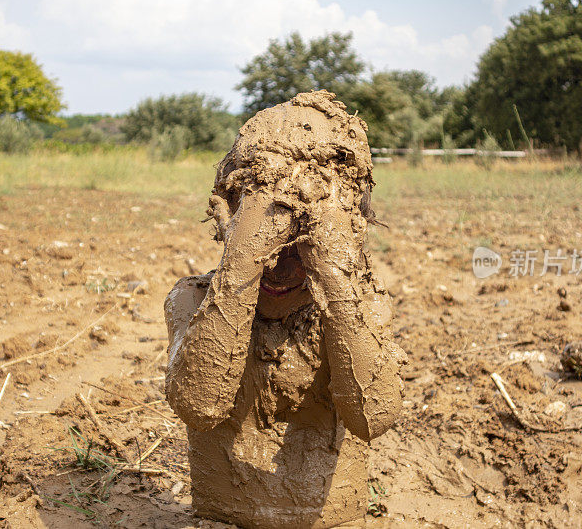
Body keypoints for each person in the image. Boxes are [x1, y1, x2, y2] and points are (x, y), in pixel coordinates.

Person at [164, 90, 405, 528]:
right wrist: (243, 256)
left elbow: (374, 418)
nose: (276, 266)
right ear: (225, 218)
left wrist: (332, 270)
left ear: (354, 229)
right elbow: (199, 406)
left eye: (299, 250)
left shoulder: (361, 305)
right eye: (267, 240)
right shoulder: (194, 300)